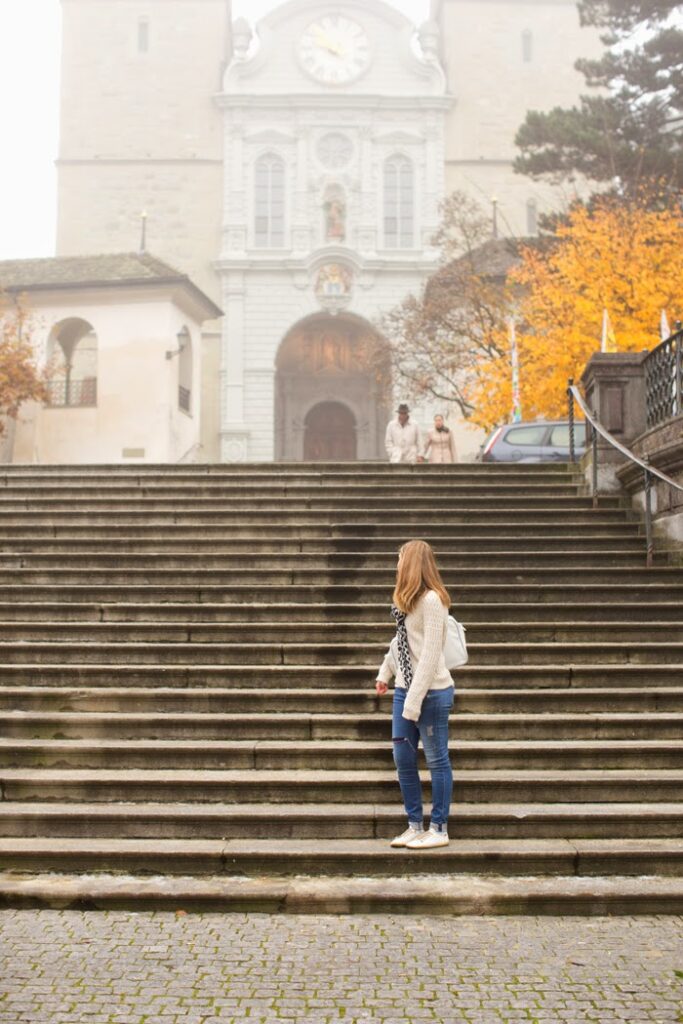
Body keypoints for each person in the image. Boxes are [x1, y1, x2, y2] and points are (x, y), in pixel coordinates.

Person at [375, 540, 455, 849]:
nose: (396, 565)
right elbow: (402, 644)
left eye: (399, 560)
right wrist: (386, 673)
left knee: (437, 760)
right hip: (405, 691)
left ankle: (438, 828)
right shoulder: (408, 601)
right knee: (403, 758)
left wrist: (412, 702)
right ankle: (414, 824)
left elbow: (431, 655)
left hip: (432, 694)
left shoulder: (434, 601)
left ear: (411, 564)